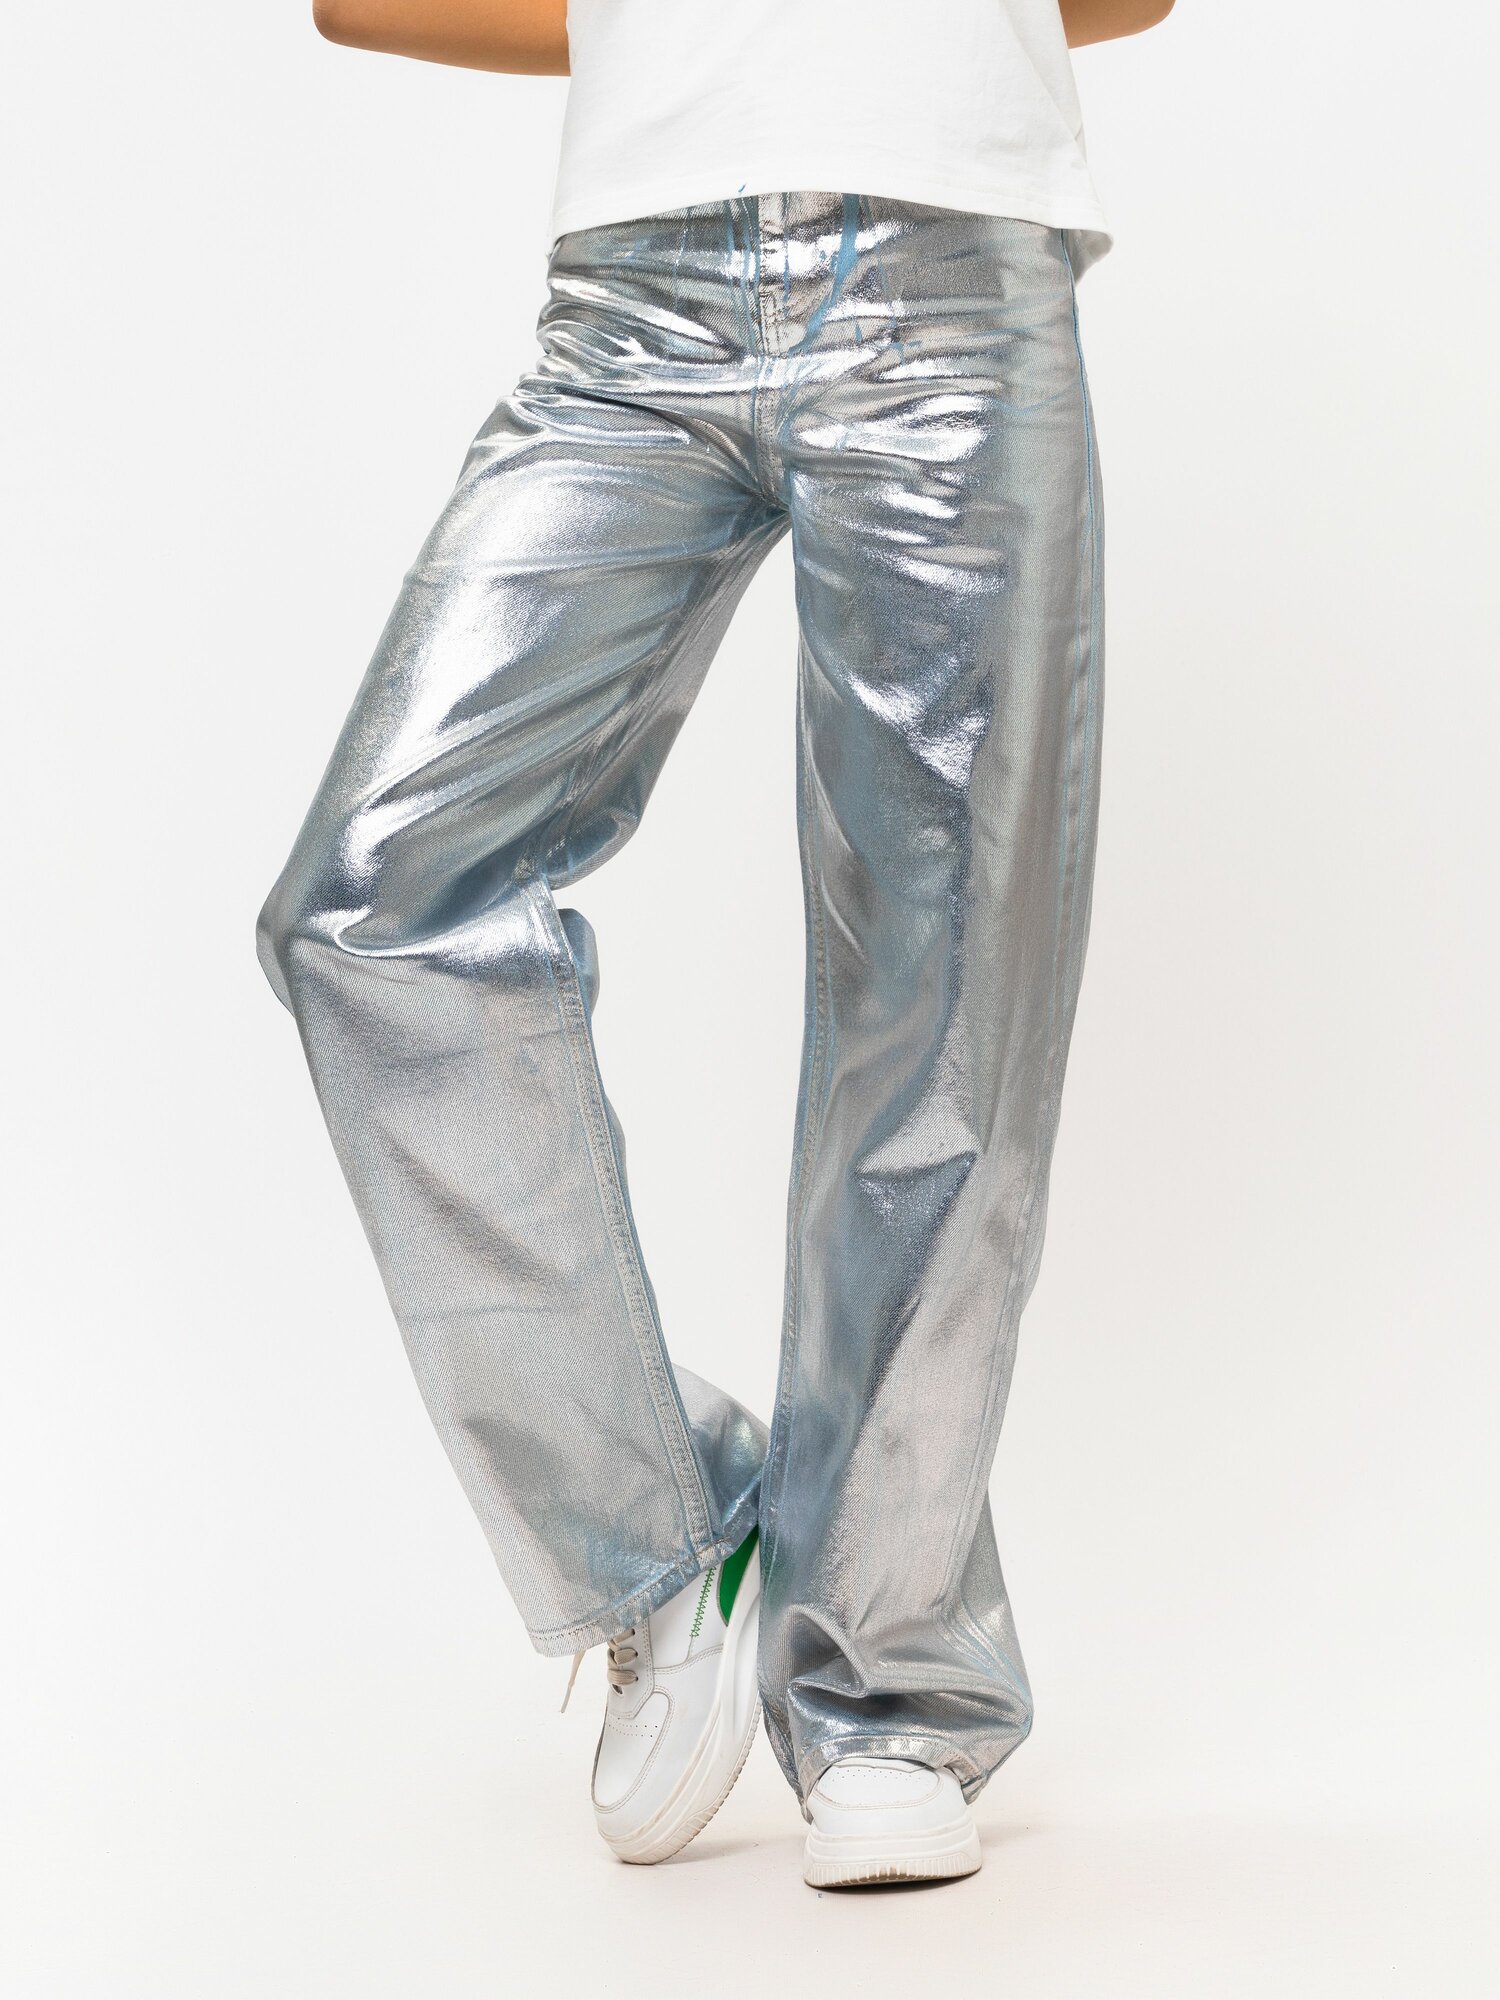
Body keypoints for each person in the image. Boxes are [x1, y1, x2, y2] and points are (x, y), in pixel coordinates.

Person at [258, 0, 1172, 1890]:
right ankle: (661, 1525)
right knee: (370, 903)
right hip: (633, 305)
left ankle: (888, 1690)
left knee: (942, 1002)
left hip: (949, 269)